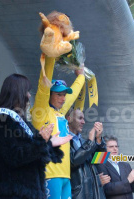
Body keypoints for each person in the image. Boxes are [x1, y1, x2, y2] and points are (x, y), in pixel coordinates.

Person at [0, 74, 72, 199]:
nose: (29, 96)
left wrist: (49, 142)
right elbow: (14, 156)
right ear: (17, 92)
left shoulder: (20, 120)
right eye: (26, 92)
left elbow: (32, 149)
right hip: (14, 191)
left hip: (28, 191)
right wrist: (41, 140)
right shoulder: (2, 118)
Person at [31, 56, 85, 199]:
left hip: (65, 175)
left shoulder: (60, 112)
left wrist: (81, 76)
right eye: (58, 94)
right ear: (49, 95)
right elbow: (43, 87)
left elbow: (73, 94)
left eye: (64, 95)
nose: (63, 98)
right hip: (49, 174)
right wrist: (50, 57)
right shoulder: (41, 112)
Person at [66, 108, 110, 199]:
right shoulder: (64, 141)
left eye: (84, 119)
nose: (83, 122)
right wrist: (90, 142)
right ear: (68, 119)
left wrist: (98, 140)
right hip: (78, 195)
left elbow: (101, 160)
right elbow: (73, 161)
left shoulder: (84, 142)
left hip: (94, 194)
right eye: (80, 118)